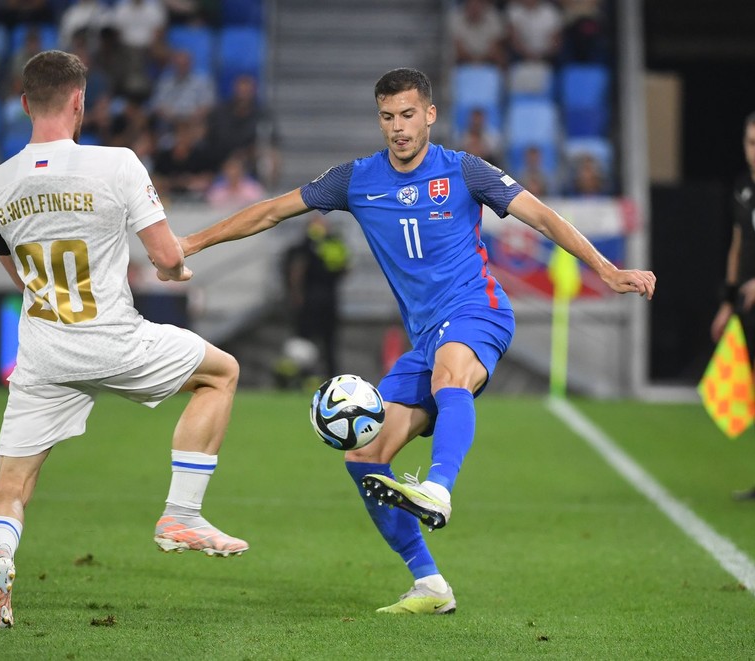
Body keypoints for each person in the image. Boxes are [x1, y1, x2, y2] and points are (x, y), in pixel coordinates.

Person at [179, 68, 655, 615]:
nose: (398, 128)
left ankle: (439, 488)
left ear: (429, 114)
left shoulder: (464, 171)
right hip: (425, 336)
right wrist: (192, 241)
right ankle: (429, 583)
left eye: (408, 115)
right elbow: (270, 210)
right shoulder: (355, 179)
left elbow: (543, 218)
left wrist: (607, 269)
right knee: (364, 453)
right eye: (388, 117)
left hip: (479, 310)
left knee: (449, 373)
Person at [0, 50, 247, 629]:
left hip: (45, 350)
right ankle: (181, 514)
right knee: (220, 373)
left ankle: (0, 560)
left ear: (25, 104)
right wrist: (176, 271)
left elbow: (18, 275)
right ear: (79, 102)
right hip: (115, 341)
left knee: (9, 488)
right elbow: (167, 256)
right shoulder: (117, 165)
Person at [711, 110, 755, 503]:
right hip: (749, 305)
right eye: (752, 143)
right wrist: (728, 302)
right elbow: (737, 245)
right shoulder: (743, 187)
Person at [282, 214, 351, 380]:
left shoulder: (333, 244)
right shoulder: (304, 246)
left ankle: (328, 376)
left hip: (325, 299)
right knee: (305, 342)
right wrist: (296, 296)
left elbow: (344, 267)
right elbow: (295, 272)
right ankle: (303, 376)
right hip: (310, 300)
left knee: (327, 341)